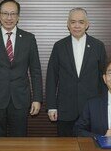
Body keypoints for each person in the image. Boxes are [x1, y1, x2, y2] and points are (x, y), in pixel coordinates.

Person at [0, 0, 42, 137]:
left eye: (13, 14)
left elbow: (35, 71)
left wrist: (37, 98)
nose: (9, 18)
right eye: (5, 13)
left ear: (18, 17)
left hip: (20, 99)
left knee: (19, 142)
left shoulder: (29, 38)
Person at [46, 8, 107, 136]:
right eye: (73, 22)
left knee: (92, 148)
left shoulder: (98, 46)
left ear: (87, 24)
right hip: (65, 109)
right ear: (68, 24)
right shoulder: (59, 46)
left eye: (81, 22)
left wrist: (104, 105)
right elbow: (51, 78)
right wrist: (51, 106)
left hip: (92, 109)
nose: (77, 26)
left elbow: (104, 79)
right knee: (65, 150)